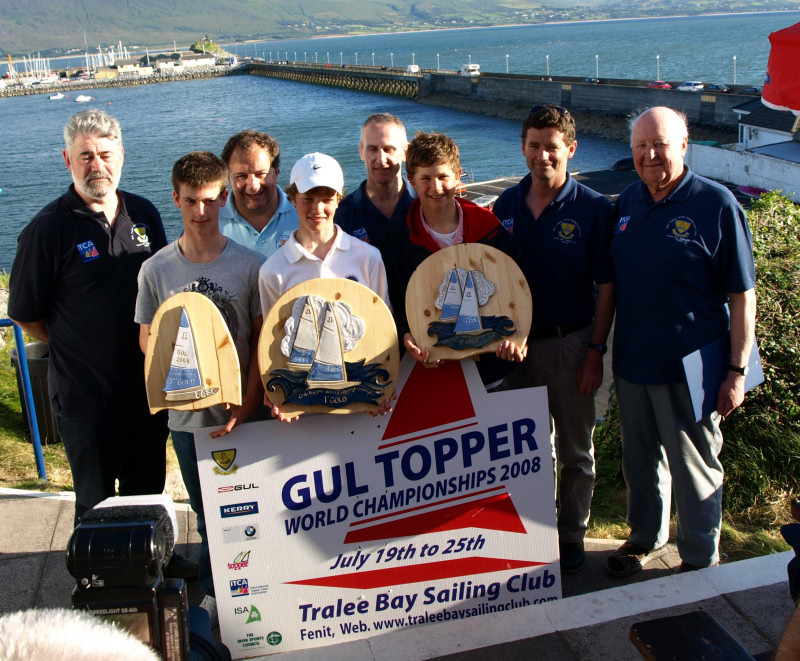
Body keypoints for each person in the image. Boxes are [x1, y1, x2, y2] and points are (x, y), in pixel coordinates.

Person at [607, 106, 756, 576]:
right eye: (641, 146)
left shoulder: (716, 204)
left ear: (684, 146)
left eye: (661, 144)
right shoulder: (628, 201)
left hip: (692, 367)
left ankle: (698, 557)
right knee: (641, 461)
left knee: (695, 468)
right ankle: (645, 536)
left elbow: (742, 295)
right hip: (632, 362)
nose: (651, 154)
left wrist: (735, 372)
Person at [7, 109, 173, 529]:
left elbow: (163, 292)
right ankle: (97, 582)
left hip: (146, 394)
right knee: (96, 510)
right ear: (67, 160)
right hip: (86, 402)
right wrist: (75, 344)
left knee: (149, 498)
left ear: (121, 155)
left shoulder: (145, 214)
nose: (96, 165)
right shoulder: (47, 230)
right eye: (85, 157)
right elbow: (26, 315)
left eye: (104, 154)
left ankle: (157, 569)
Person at [136, 151, 266, 621]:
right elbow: (147, 337)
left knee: (253, 511)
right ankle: (217, 601)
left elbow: (261, 342)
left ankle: (262, 594)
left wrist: (247, 404)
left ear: (224, 198)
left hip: (246, 415)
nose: (201, 212)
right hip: (187, 420)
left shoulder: (251, 266)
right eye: (191, 201)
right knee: (209, 515)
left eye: (210, 200)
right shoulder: (156, 270)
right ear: (176, 199)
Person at [492, 105, 615, 574]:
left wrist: (595, 351)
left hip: (571, 344)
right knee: (528, 452)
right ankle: (534, 539)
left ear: (570, 149)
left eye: (552, 146)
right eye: (534, 145)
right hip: (514, 350)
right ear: (523, 147)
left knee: (576, 451)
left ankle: (571, 537)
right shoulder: (505, 206)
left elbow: (607, 286)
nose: (543, 154)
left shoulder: (594, 209)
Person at [380, 131, 526, 386]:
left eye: (443, 176)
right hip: (434, 369)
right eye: (425, 178)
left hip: (492, 366)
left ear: (458, 175)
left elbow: (517, 286)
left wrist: (518, 337)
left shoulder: (488, 226)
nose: (435, 187)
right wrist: (406, 334)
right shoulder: (397, 237)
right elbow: (394, 298)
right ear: (411, 180)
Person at [258, 152, 391, 422]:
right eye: (308, 198)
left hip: (362, 406)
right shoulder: (272, 272)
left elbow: (383, 330)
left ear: (339, 198)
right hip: (304, 410)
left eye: (327, 199)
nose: (317, 209)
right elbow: (273, 345)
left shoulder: (368, 258)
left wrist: (384, 387)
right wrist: (279, 395)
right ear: (293, 198)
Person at [333, 113, 415, 246]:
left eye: (389, 149)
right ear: (361, 152)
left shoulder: (423, 205)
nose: (381, 160)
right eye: (373, 149)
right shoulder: (343, 214)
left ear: (406, 152)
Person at [219, 129, 299, 257]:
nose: (253, 186)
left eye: (261, 174)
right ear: (228, 178)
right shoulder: (210, 219)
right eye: (241, 176)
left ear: (276, 173)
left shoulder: (302, 214)